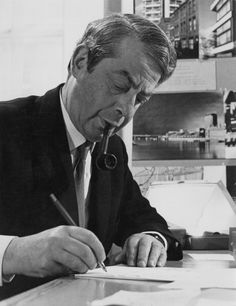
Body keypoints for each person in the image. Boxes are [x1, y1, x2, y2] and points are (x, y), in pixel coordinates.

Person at [0, 13, 182, 298]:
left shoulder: (112, 150)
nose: (126, 110)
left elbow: (144, 218)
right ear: (80, 62)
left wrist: (150, 239)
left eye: (140, 99)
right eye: (120, 86)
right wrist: (14, 253)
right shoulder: (6, 127)